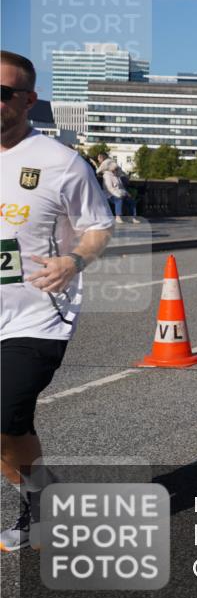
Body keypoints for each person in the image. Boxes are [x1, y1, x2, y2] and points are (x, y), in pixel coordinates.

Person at [1, 51, 114, 551]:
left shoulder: (60, 162)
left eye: (3, 93)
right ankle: (44, 502)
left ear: (28, 100)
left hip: (37, 316)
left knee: (5, 417)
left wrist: (74, 261)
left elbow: (98, 226)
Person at [95, 152, 138, 224]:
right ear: (110, 169)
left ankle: (132, 217)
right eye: (115, 169)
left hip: (118, 193)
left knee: (131, 200)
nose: (116, 170)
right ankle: (118, 217)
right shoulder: (107, 175)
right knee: (119, 199)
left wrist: (126, 193)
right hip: (109, 195)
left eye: (116, 169)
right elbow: (109, 189)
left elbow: (121, 187)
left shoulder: (117, 176)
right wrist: (119, 194)